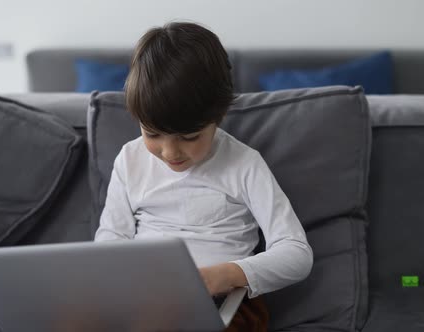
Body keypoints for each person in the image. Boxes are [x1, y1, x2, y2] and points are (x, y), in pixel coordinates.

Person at [94, 21, 313, 332]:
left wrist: (224, 275)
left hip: (225, 301)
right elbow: (110, 238)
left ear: (218, 116)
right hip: (145, 298)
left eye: (190, 136)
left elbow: (296, 252)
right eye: (152, 134)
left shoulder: (244, 164)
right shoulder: (129, 159)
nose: (170, 153)